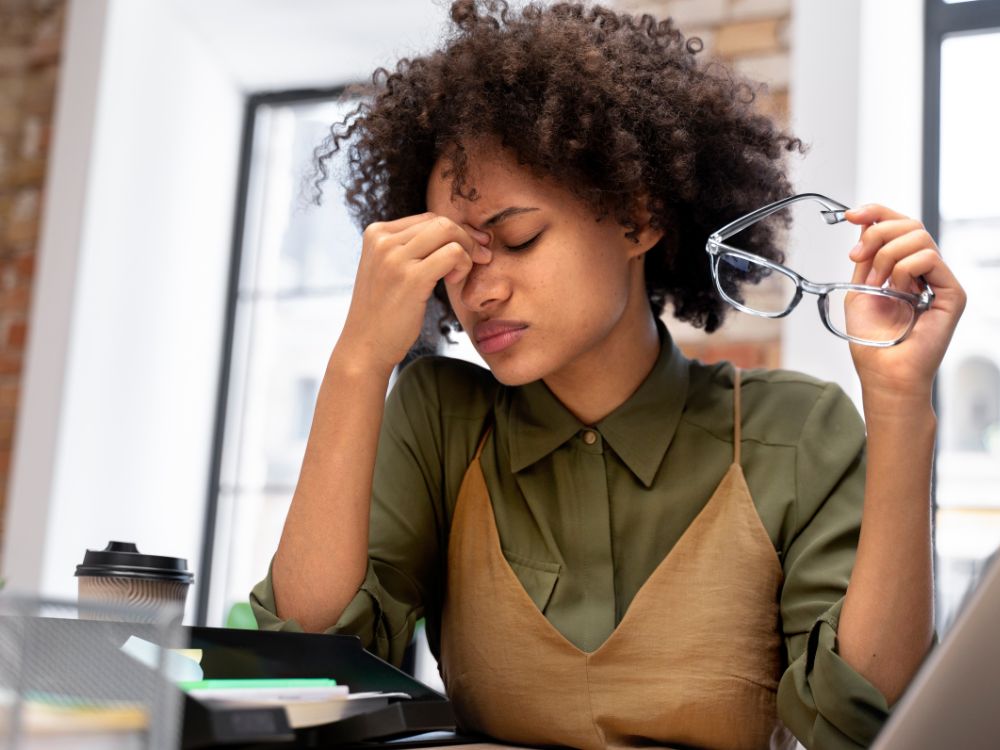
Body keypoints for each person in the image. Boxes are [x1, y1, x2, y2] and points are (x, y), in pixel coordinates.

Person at [250, 2, 966, 748]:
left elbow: (865, 721)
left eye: (519, 238)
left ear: (637, 217)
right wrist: (358, 361)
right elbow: (303, 668)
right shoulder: (440, 418)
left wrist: (900, 403)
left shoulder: (794, 432)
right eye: (457, 257)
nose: (481, 288)